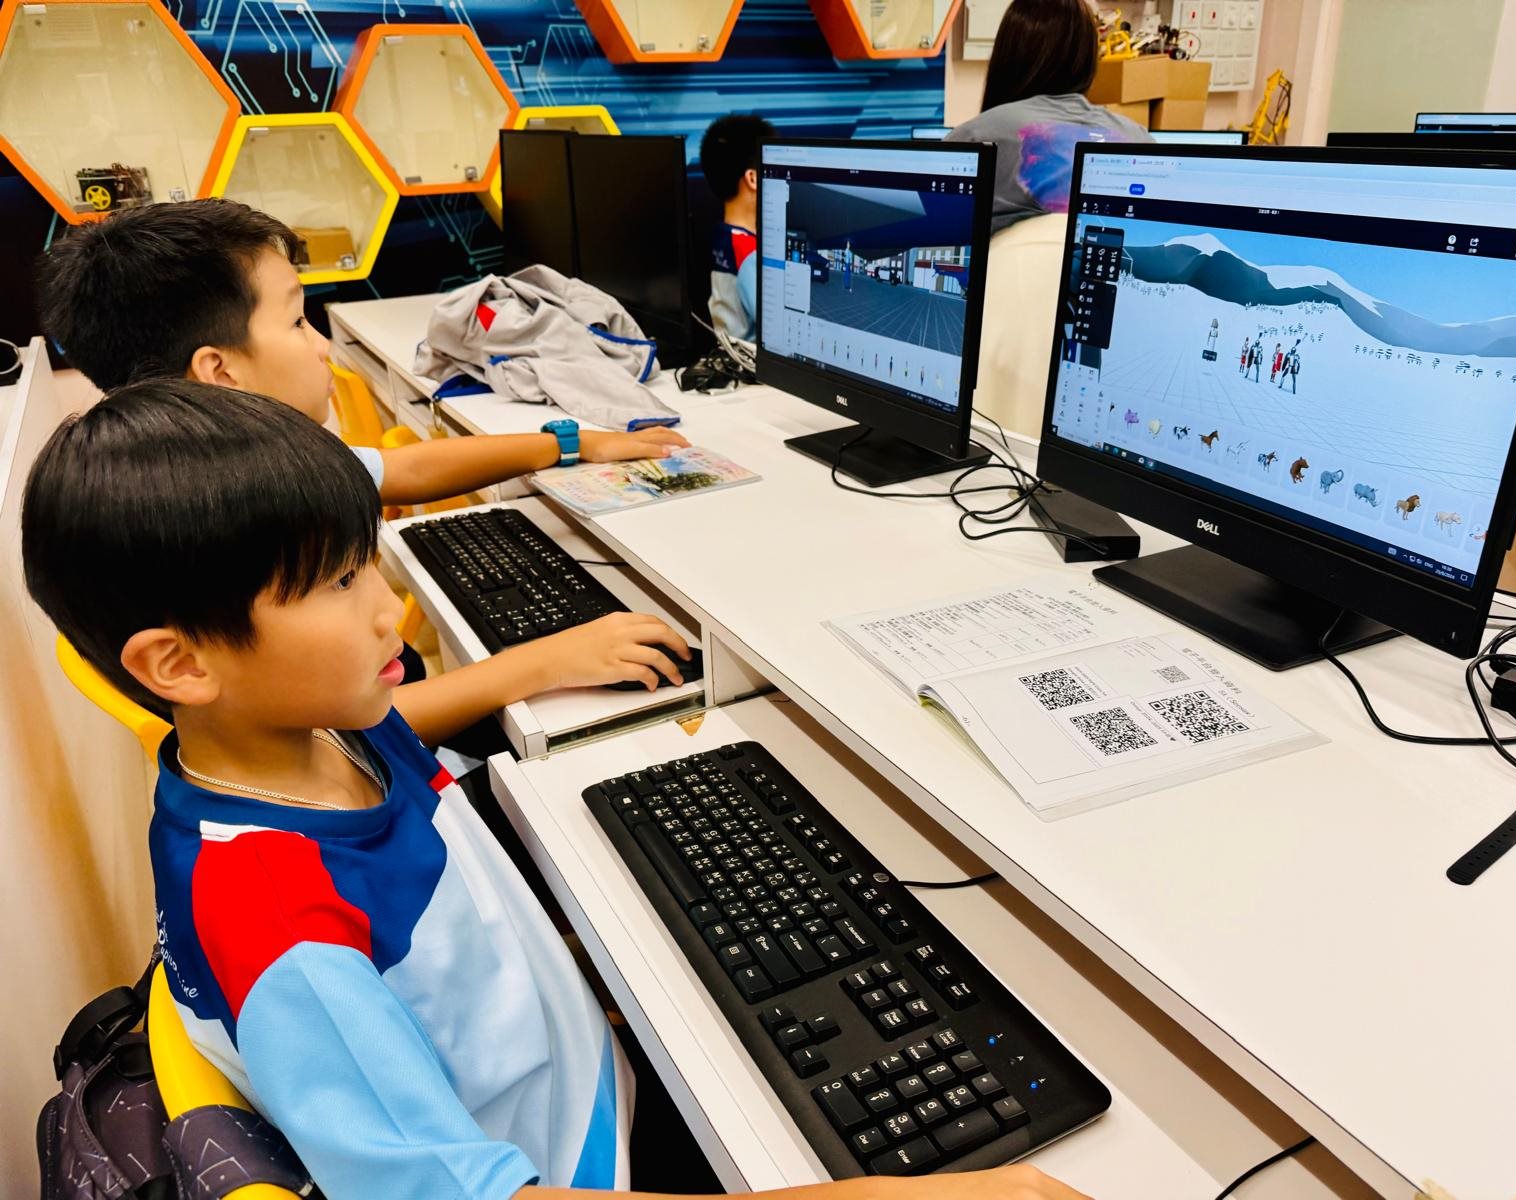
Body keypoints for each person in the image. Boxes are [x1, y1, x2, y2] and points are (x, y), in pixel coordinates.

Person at [19, 378, 1094, 1200]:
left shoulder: (306, 736)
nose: (388, 608)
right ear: (180, 664)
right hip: (566, 1163)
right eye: (341, 581)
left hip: (568, 1077)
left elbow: (415, 798)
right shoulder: (282, 936)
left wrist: (538, 676)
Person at [33, 199, 695, 748]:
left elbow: (406, 467)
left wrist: (567, 444)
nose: (322, 344)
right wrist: (543, 661)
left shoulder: (213, 469)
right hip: (392, 740)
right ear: (220, 370)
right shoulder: (210, 523)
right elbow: (340, 742)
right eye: (298, 321)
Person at [945, 0, 1152, 233]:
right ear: (1089, 59)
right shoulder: (1140, 141)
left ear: (1007, 54)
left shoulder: (974, 140)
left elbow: (932, 237)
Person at [701, 113, 774, 341]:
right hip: (750, 358)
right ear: (752, 179)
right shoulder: (749, 252)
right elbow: (774, 325)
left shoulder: (722, 235)